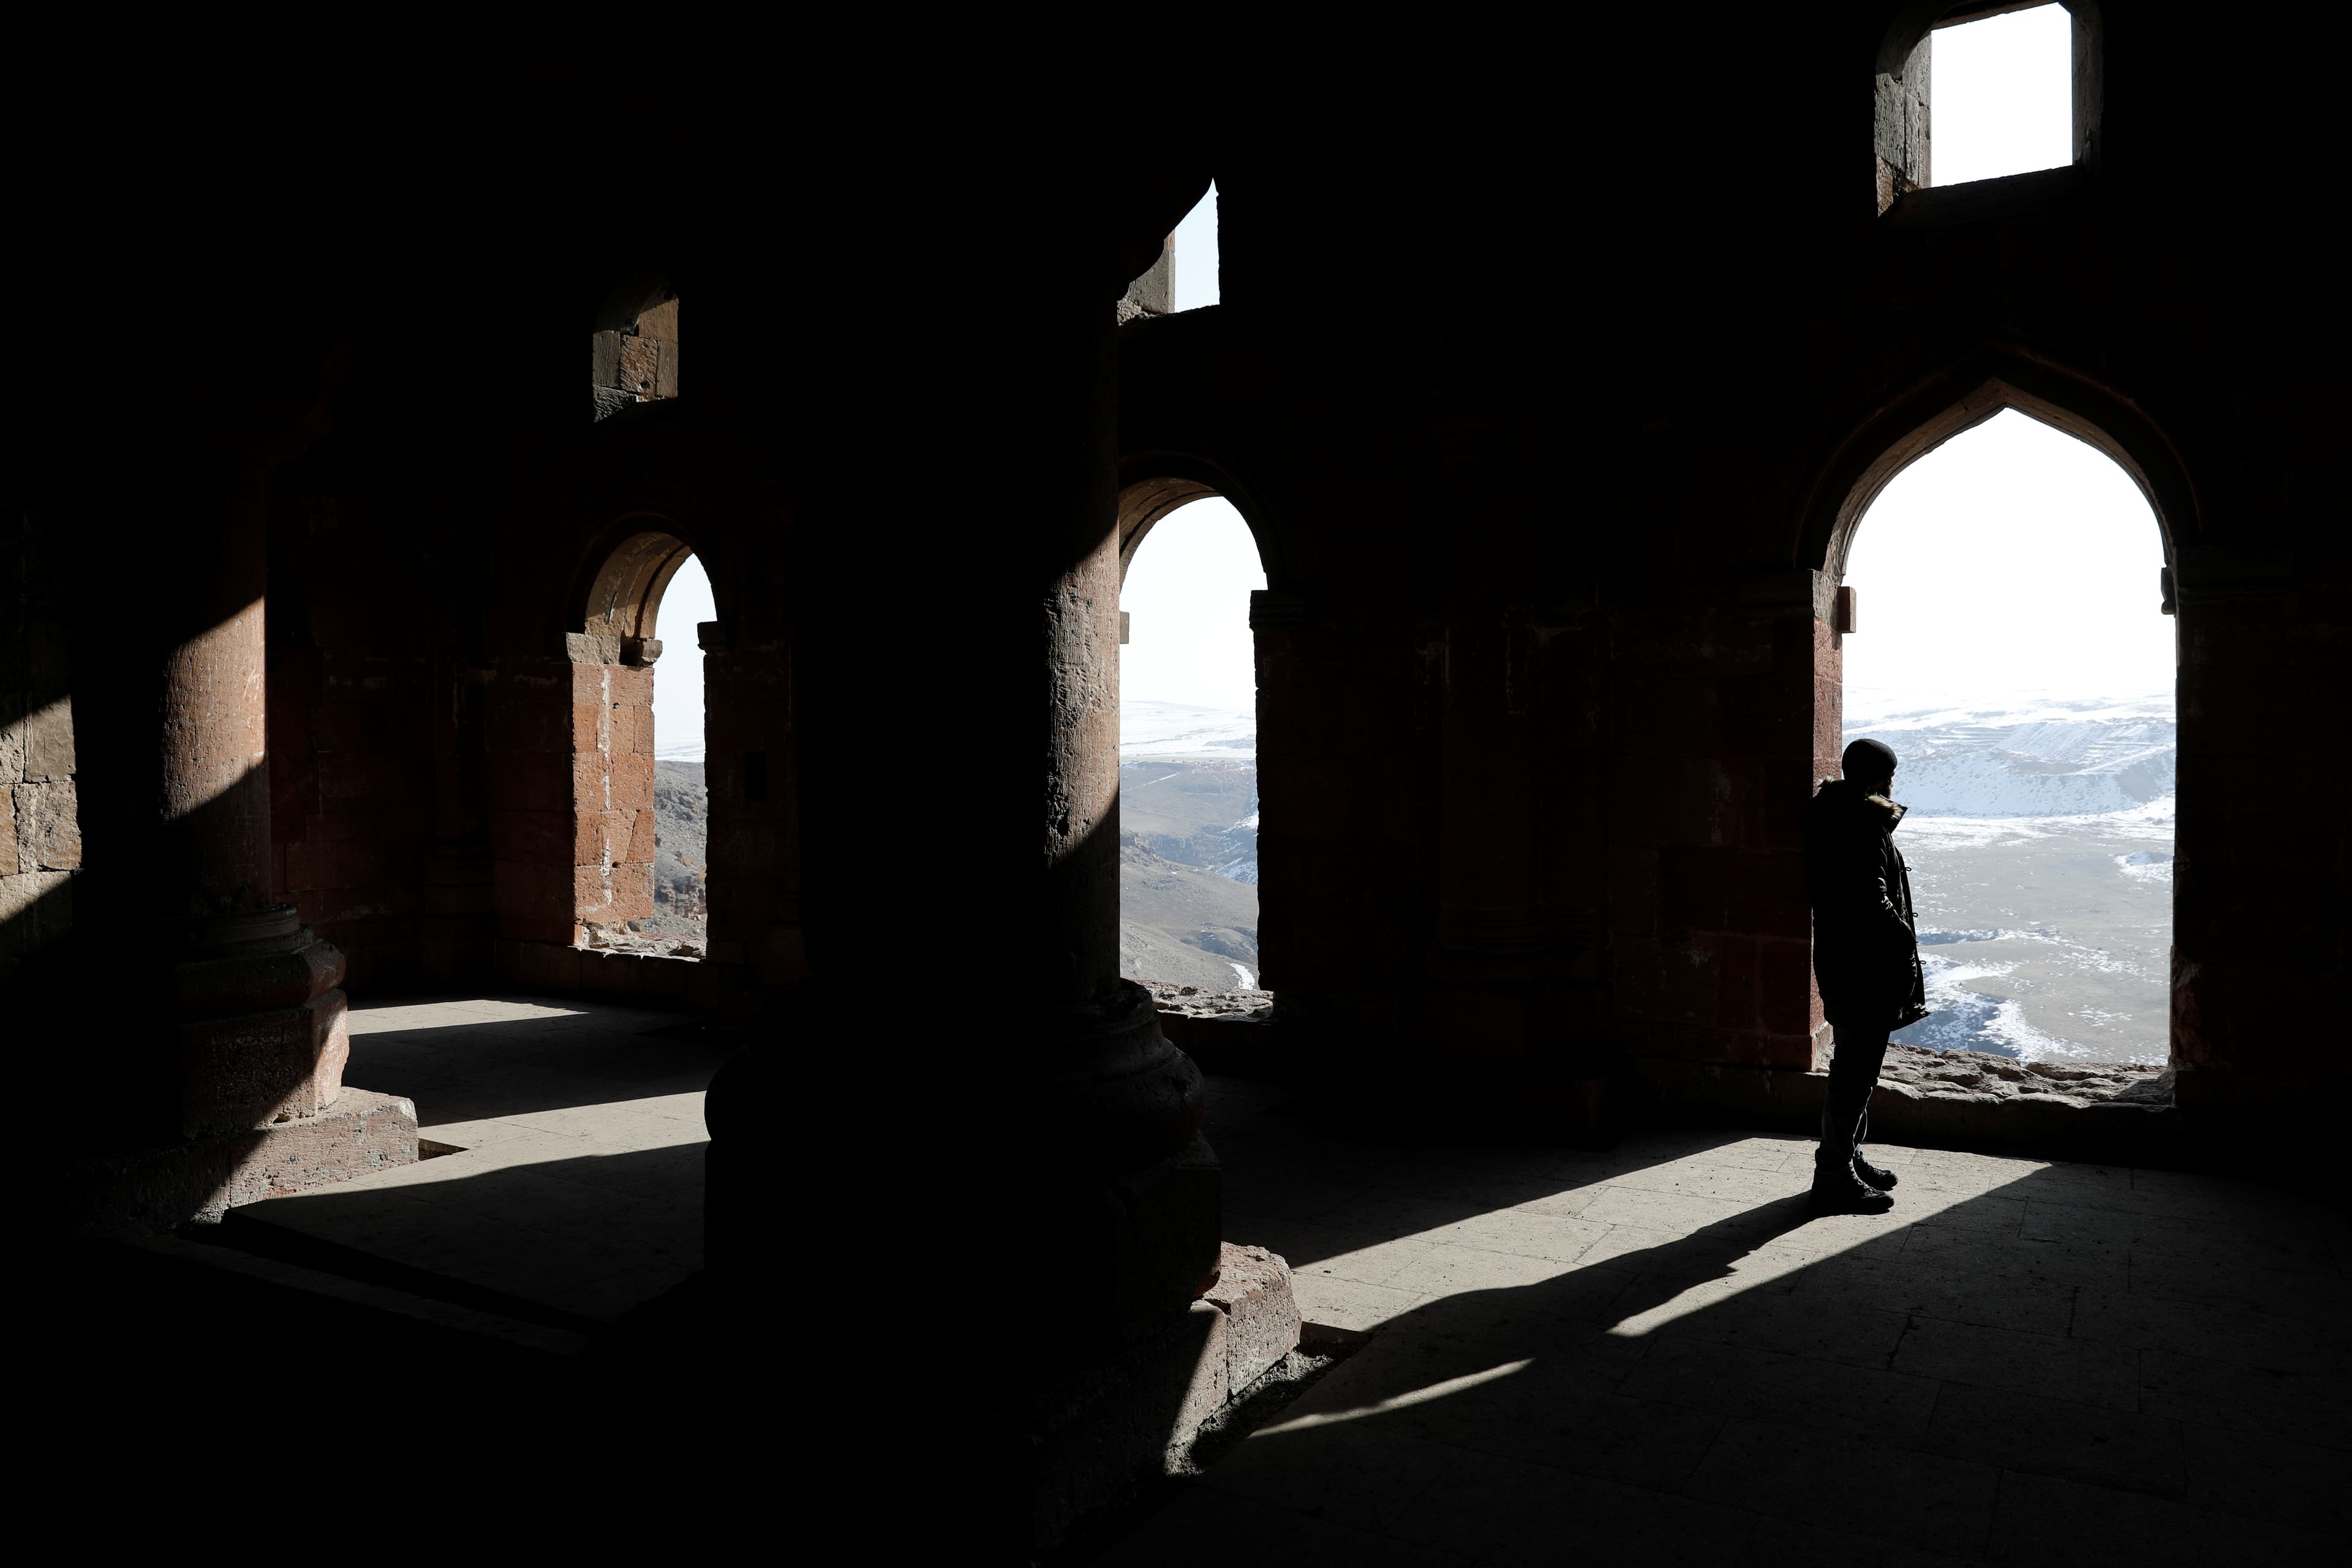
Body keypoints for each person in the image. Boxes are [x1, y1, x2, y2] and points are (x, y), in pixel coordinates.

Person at [1804, 737, 1931, 1214]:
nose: (1893, 783)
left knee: (1855, 1069)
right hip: (1863, 968)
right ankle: (1834, 1173)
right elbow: (1870, 900)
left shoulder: (1831, 813)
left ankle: (1846, 1159)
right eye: (1889, 775)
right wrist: (1903, 940)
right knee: (1854, 1072)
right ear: (1879, 778)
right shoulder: (1860, 822)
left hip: (1845, 961)